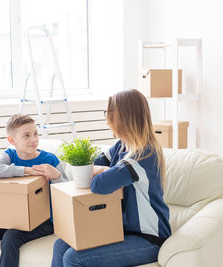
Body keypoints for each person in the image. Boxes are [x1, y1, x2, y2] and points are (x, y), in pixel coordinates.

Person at [51, 89, 171, 267]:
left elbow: (99, 185)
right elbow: (89, 166)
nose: (107, 119)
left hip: (148, 239)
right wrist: (101, 170)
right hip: (120, 231)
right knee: (61, 245)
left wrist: (100, 172)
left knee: (74, 258)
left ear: (123, 116)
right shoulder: (121, 146)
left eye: (109, 113)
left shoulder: (143, 155)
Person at [0, 114, 67, 267]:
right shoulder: (9, 156)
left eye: (35, 134)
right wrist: (25, 170)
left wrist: (56, 176)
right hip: (12, 220)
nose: (33, 140)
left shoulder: (50, 159)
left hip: (44, 221)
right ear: (12, 141)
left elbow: (67, 192)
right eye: (26, 136)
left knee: (11, 237)